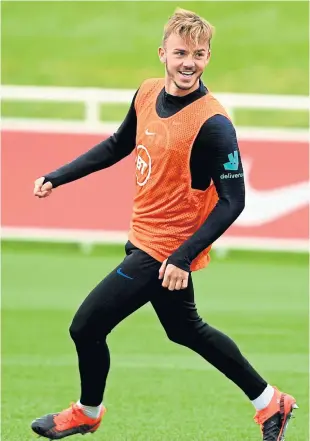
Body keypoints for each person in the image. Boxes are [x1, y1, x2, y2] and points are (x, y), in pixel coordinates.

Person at [31, 8, 297, 441]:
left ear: (208, 57)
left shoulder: (214, 125)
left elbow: (234, 202)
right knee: (185, 330)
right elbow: (118, 144)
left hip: (165, 252)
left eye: (198, 53)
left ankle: (87, 411)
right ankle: (271, 402)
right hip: (143, 240)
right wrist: (58, 176)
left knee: (86, 325)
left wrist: (182, 255)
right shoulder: (147, 93)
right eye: (180, 52)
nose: (188, 61)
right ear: (163, 54)